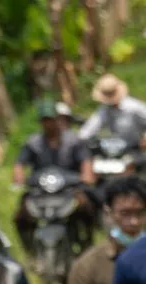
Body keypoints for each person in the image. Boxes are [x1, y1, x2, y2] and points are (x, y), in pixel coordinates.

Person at [13, 100, 96, 252]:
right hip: (41, 191)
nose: (48, 124)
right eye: (45, 120)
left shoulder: (74, 140)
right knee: (21, 216)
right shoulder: (33, 143)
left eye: (51, 119)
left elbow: (85, 161)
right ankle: (30, 249)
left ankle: (87, 242)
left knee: (86, 207)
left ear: (58, 119)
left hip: (69, 189)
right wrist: (19, 177)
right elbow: (20, 163)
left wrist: (87, 175)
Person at [79, 74, 146, 166]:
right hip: (116, 154)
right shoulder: (104, 110)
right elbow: (90, 128)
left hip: (137, 154)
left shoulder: (134, 107)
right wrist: (80, 140)